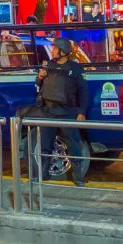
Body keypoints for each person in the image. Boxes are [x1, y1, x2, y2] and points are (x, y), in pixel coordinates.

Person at [35, 36, 89, 186]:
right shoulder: (48, 66)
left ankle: (78, 177)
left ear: (63, 52)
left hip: (68, 112)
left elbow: (84, 92)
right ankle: (43, 175)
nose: (52, 51)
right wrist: (39, 77)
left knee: (73, 145)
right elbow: (38, 83)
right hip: (49, 111)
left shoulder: (75, 69)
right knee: (45, 144)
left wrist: (82, 112)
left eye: (54, 49)